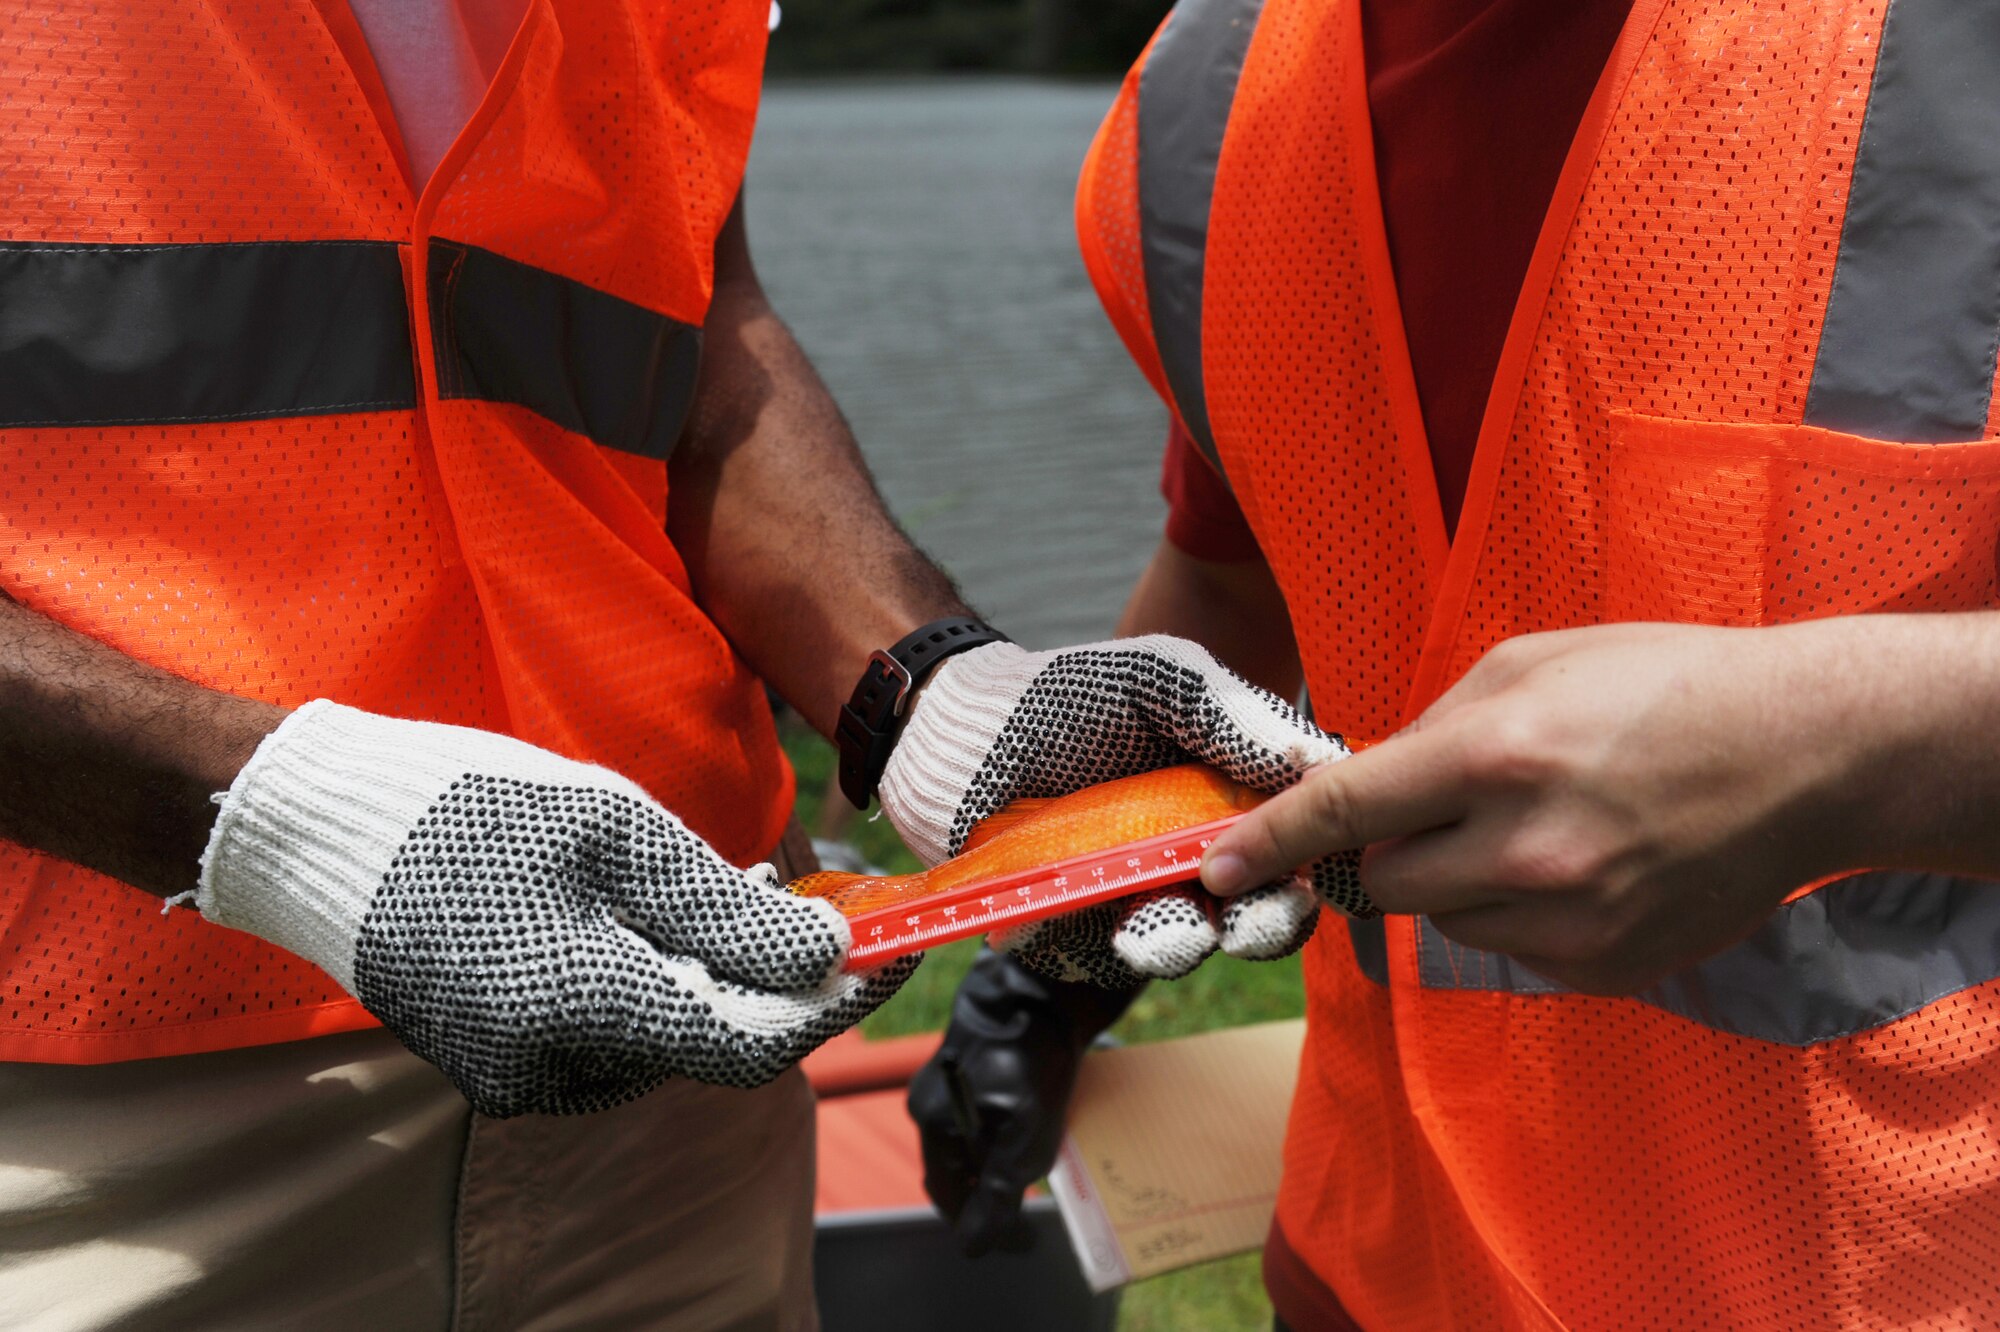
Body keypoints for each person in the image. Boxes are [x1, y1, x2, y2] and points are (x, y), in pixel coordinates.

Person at [905, 0, 2000, 1326]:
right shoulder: (1207, 97)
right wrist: (1051, 960)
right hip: (1370, 1263)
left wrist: (1838, 756)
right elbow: (1232, 576)